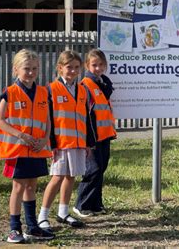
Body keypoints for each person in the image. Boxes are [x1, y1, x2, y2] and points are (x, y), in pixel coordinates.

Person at [0, 49, 55, 243]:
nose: (31, 72)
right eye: (26, 68)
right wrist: (20, 135)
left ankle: (32, 226)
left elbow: (47, 121)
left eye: (34, 69)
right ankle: (14, 229)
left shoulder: (43, 92)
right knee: (19, 187)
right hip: (17, 150)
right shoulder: (10, 92)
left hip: (36, 149)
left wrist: (45, 139)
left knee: (32, 186)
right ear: (16, 70)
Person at [38, 50, 93, 229]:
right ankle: (42, 215)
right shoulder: (50, 90)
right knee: (57, 177)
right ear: (60, 68)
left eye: (76, 68)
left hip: (78, 143)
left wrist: (88, 143)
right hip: (60, 144)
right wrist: (51, 143)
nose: (73, 71)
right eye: (69, 67)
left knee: (71, 176)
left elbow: (87, 118)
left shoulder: (83, 90)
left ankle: (63, 212)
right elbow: (47, 120)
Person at [73, 49, 117, 218]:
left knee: (101, 169)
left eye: (100, 65)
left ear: (105, 65)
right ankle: (82, 205)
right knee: (93, 170)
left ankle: (96, 204)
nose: (98, 68)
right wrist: (86, 139)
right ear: (87, 66)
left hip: (105, 135)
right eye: (94, 65)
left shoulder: (103, 84)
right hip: (92, 137)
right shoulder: (85, 86)